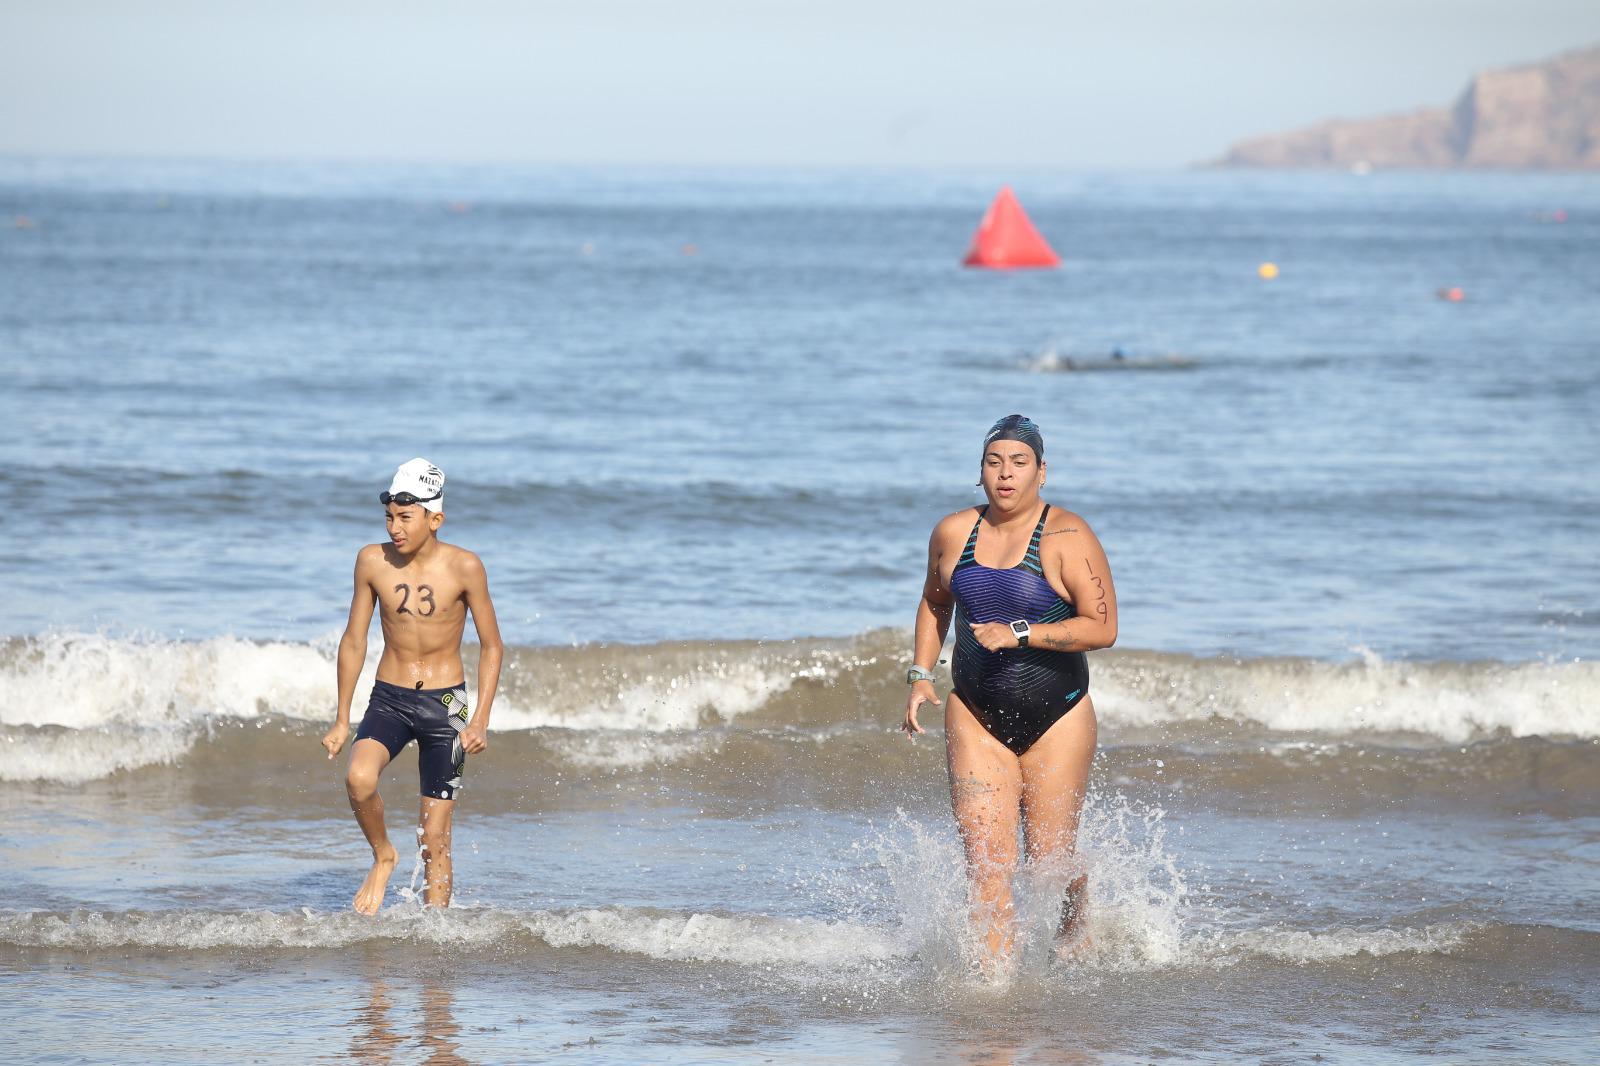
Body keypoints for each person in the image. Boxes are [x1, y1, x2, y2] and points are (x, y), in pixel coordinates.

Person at [902, 415, 1118, 968]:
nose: (1005, 474)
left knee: (1049, 862)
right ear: (980, 472)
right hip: (975, 713)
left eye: (1018, 463)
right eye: (994, 462)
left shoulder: (1067, 534)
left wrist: (1022, 632)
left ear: (1040, 472)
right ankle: (993, 995)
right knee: (987, 866)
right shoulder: (953, 533)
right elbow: (935, 602)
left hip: (1059, 716)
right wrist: (922, 674)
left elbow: (1102, 627)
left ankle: (1077, 910)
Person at [321, 458, 504, 914]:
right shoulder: (372, 561)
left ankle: (434, 951)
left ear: (434, 518)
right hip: (390, 697)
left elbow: (492, 646)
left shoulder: (465, 567)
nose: (395, 527)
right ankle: (383, 854)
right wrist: (343, 717)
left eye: (405, 517)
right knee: (358, 778)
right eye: (389, 517)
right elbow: (354, 639)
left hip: (448, 706)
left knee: (436, 839)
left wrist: (480, 718)